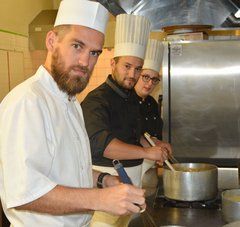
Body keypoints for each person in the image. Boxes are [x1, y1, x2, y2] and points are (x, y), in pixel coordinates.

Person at [0, 1, 146, 226]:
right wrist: (100, 199)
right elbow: (25, 194)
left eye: (94, 52)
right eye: (77, 46)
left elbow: (69, 169)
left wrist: (103, 180)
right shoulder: (28, 102)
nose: (85, 62)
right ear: (51, 41)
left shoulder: (70, 101)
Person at [81, 14, 171, 227]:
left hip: (131, 179)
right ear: (113, 63)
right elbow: (103, 145)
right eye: (127, 66)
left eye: (138, 68)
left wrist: (153, 145)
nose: (133, 74)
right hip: (107, 180)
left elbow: (134, 134)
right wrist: (147, 152)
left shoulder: (130, 97)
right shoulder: (97, 100)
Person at [134, 39, 165, 178]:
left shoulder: (151, 102)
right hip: (131, 167)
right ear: (137, 74)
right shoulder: (126, 101)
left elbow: (153, 133)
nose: (150, 83)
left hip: (149, 167)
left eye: (154, 79)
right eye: (146, 77)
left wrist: (159, 143)